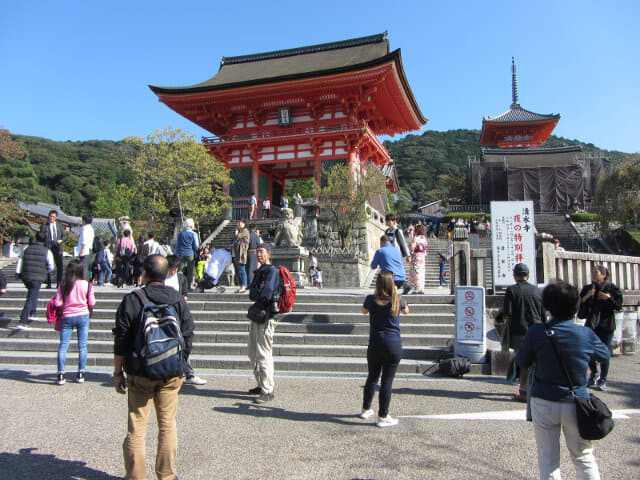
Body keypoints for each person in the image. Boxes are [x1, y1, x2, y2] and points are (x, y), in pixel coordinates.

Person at [516, 280, 609, 480]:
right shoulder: (585, 334)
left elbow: (522, 360)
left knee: (548, 459)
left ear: (547, 306)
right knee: (583, 456)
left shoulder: (537, 332)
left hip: (544, 399)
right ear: (575, 306)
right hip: (576, 401)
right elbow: (604, 355)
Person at [113, 255, 194, 480]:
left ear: (144, 274)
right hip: (171, 371)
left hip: (140, 370)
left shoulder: (133, 299)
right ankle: (166, 475)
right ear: (168, 272)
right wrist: (182, 364)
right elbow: (188, 335)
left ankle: (135, 476)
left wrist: (117, 371)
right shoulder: (177, 299)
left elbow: (121, 339)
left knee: (137, 427)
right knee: (167, 424)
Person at [360, 271, 409, 427]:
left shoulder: (370, 299)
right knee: (387, 381)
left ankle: (366, 409)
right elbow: (407, 311)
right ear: (392, 284)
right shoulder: (397, 299)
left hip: (375, 343)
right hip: (393, 343)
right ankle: (383, 416)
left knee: (372, 377)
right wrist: (394, 292)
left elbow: (364, 311)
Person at [502, 263, 546, 402]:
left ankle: (524, 391)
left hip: (519, 330)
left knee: (523, 362)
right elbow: (543, 313)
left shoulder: (511, 290)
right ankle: (537, 389)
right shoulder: (538, 291)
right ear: (528, 276)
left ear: (515, 276)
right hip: (537, 329)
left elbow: (507, 312)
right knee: (537, 361)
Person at [578, 265, 623, 391]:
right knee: (587, 351)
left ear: (603, 275)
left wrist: (608, 299)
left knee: (604, 352)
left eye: (596, 272)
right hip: (591, 324)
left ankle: (603, 379)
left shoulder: (611, 288)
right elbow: (580, 308)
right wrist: (587, 297)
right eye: (592, 272)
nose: (593, 274)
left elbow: (618, 306)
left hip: (606, 325)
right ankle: (593, 372)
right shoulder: (588, 288)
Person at [165, 255, 206, 386]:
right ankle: (184, 372)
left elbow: (185, 295)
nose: (172, 272)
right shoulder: (160, 278)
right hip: (164, 314)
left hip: (179, 313)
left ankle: (187, 372)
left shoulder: (181, 278)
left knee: (183, 344)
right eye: (170, 269)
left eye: (174, 269)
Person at [247, 243, 280, 404]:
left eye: (262, 252)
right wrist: (258, 292)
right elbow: (252, 293)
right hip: (256, 315)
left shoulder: (272, 271)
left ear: (268, 253)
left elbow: (267, 293)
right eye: (257, 252)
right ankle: (260, 383)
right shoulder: (259, 271)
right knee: (252, 352)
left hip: (267, 316)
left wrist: (257, 292)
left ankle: (268, 389)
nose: (259, 255)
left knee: (263, 352)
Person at [54, 259, 96, 385]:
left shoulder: (63, 284)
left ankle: (61, 374)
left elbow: (58, 303)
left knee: (63, 346)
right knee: (82, 346)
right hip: (83, 315)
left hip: (67, 316)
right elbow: (92, 302)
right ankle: (80, 373)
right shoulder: (87, 284)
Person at [15, 231, 54, 329]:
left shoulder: (27, 249)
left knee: (33, 294)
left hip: (26, 276)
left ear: (36, 238)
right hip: (37, 277)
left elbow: (20, 261)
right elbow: (51, 266)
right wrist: (45, 272)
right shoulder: (47, 251)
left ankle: (33, 312)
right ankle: (23, 320)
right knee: (31, 298)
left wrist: (19, 273)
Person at [40, 209, 65, 289]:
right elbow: (42, 236)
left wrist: (61, 240)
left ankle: (59, 283)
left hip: (58, 247)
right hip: (48, 246)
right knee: (48, 264)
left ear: (56, 217)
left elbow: (63, 236)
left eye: (53, 217)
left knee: (60, 265)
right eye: (50, 216)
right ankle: (49, 283)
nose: (51, 218)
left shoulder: (59, 226)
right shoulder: (44, 226)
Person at [175, 218, 200, 291]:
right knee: (190, 271)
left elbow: (177, 245)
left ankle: (179, 286)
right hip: (190, 253)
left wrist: (176, 253)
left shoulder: (180, 234)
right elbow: (196, 246)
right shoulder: (193, 234)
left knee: (180, 270)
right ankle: (188, 287)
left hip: (181, 253)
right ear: (191, 226)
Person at [408, 224, 428, 294]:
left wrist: (410, 253)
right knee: (421, 272)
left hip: (417, 256)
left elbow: (412, 247)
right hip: (422, 257)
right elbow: (425, 247)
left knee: (416, 272)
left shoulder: (416, 238)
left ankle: (416, 288)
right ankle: (421, 288)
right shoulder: (424, 238)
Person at [77, 214, 95, 282]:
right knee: (86, 267)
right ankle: (86, 281)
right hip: (89, 249)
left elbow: (84, 240)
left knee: (83, 267)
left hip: (85, 250)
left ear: (84, 221)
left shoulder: (85, 228)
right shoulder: (91, 228)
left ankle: (83, 282)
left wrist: (82, 251)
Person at [234, 219, 250, 293]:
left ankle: (244, 285)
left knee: (242, 270)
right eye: (238, 222)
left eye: (240, 222)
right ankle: (242, 285)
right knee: (240, 270)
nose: (239, 224)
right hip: (239, 253)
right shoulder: (241, 231)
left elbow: (237, 237)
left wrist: (236, 232)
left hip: (242, 253)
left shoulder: (245, 231)